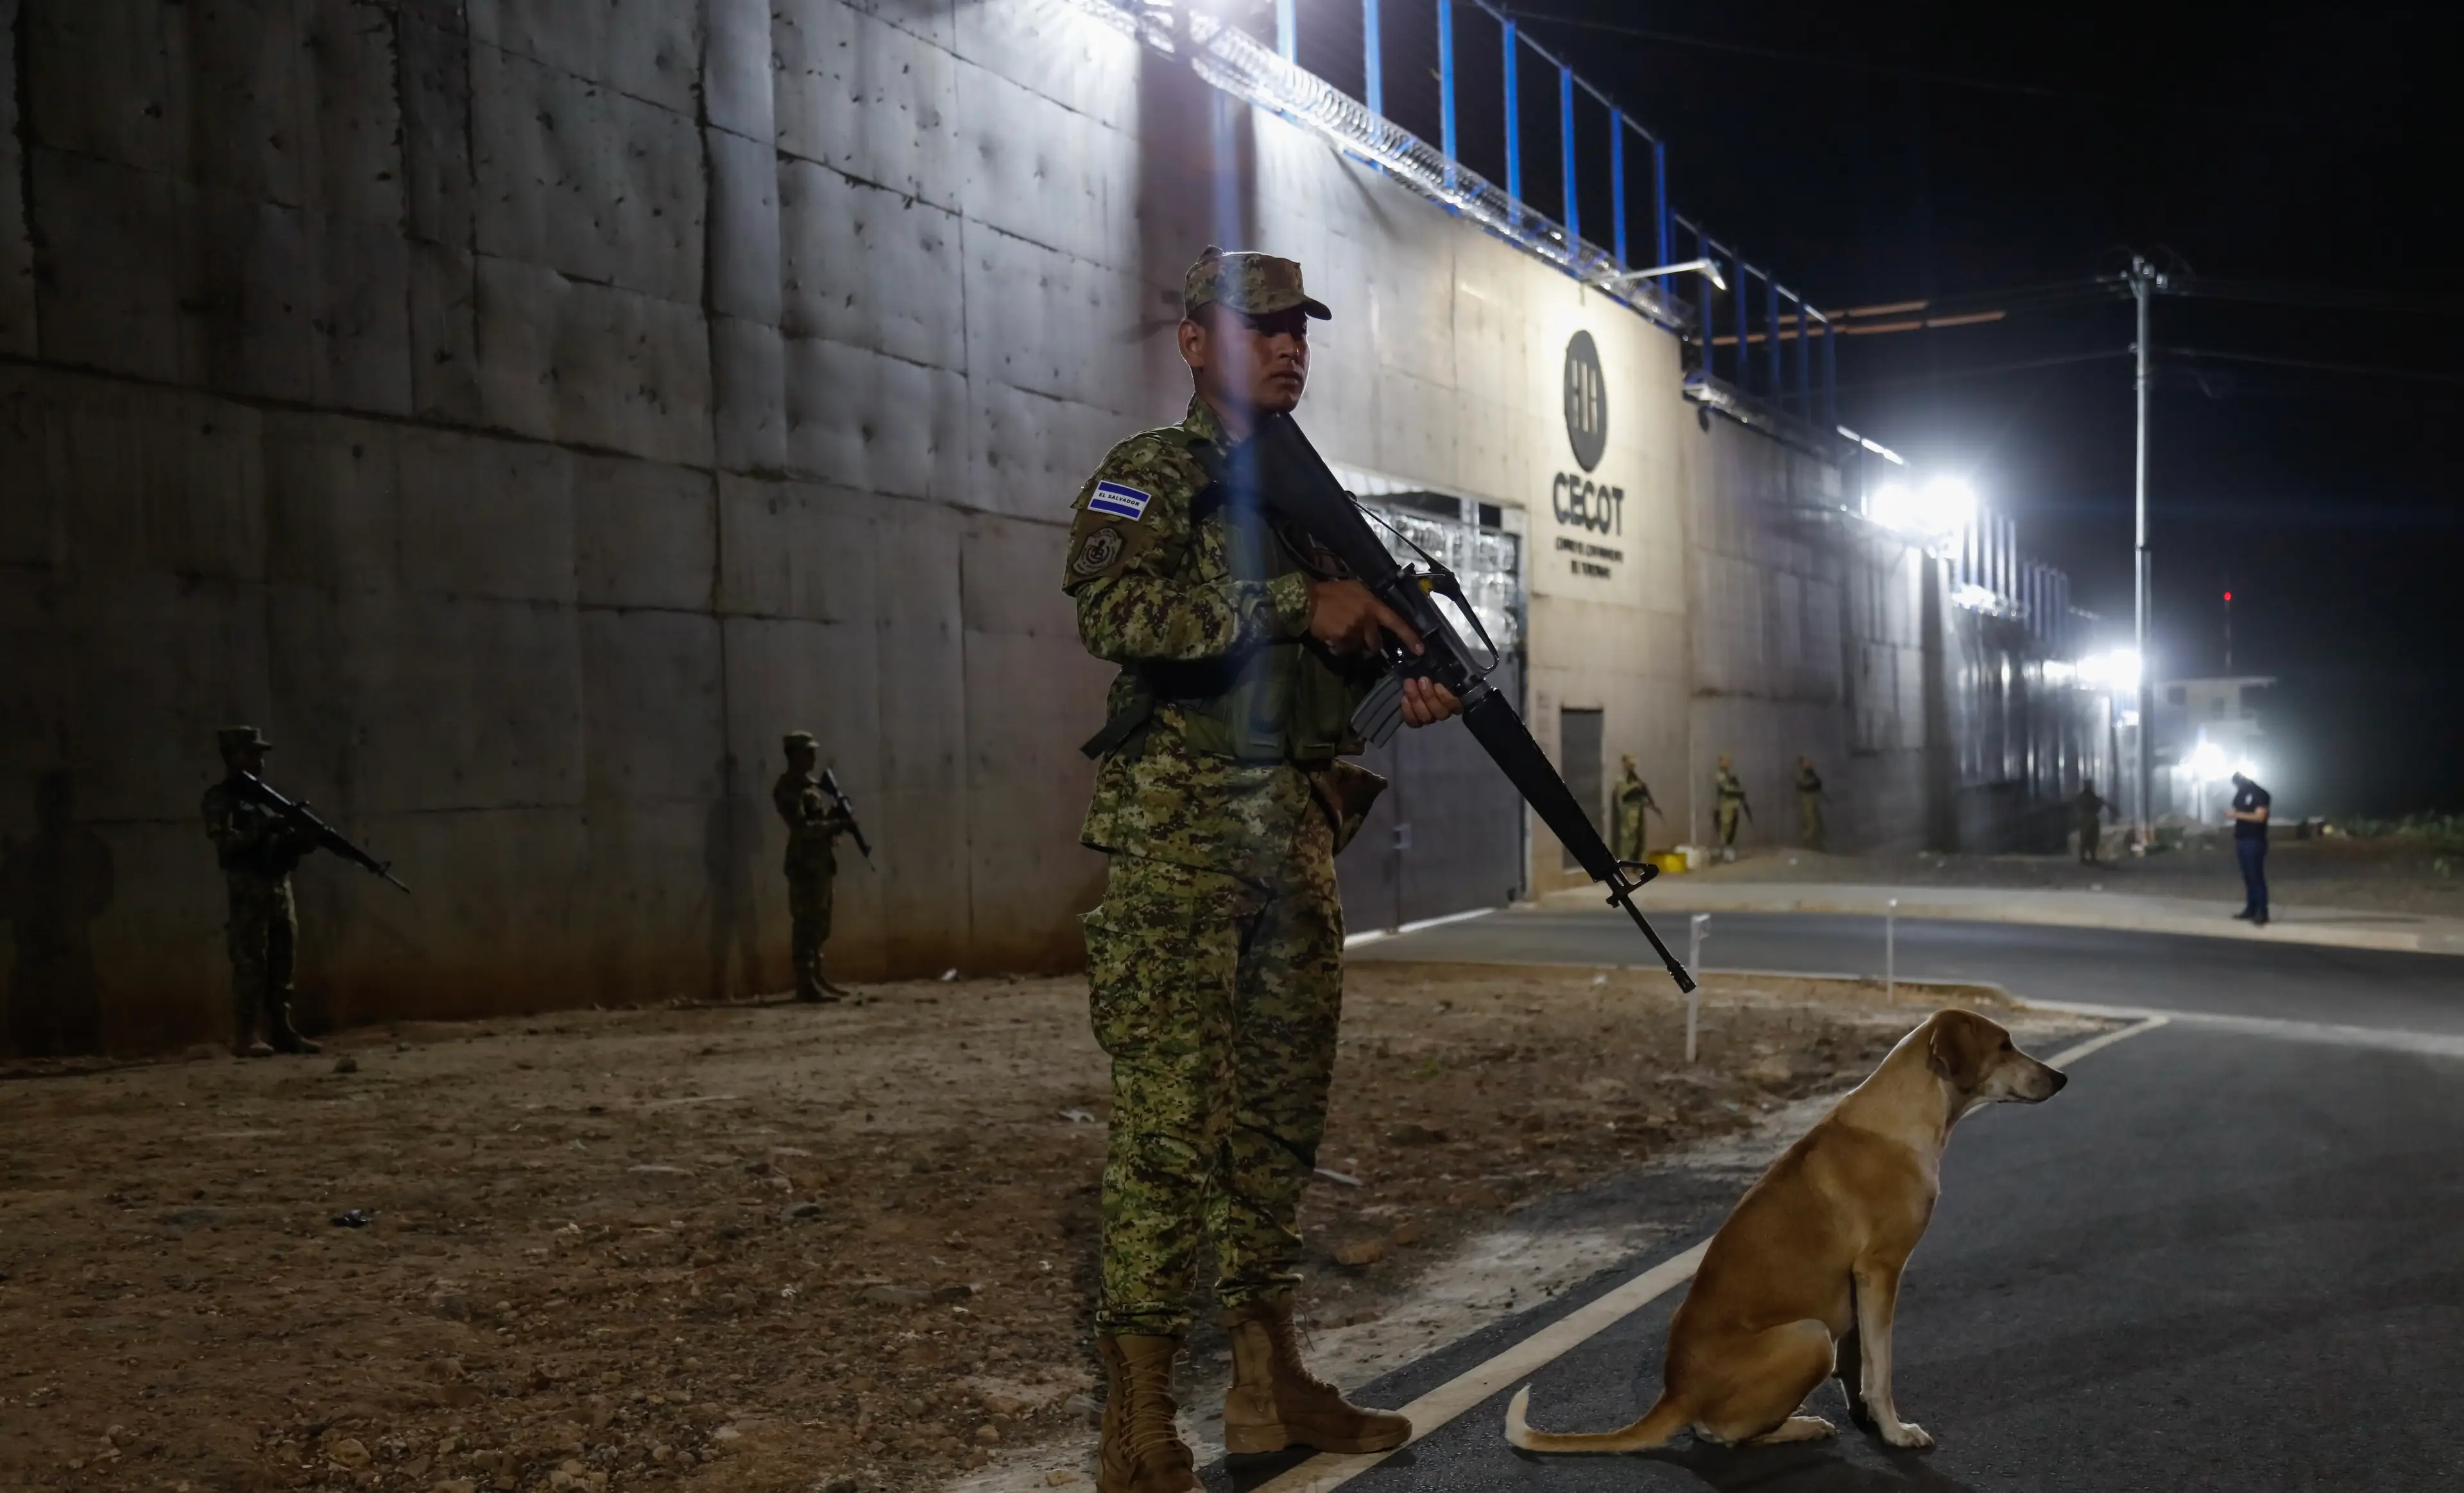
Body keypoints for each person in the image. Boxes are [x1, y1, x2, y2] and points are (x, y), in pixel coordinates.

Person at [1063, 246, 1460, 1493]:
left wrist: (1402, 676)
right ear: (1193, 342)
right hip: (1179, 840)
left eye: (1299, 327)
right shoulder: (1151, 474)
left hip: (1291, 837)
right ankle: (1137, 1421)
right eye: (1258, 326)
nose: (1287, 345)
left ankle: (1263, 1379)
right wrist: (1300, 602)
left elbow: (1310, 671)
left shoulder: (1306, 502)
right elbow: (1116, 619)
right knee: (1172, 1130)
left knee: (1279, 1127)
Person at [200, 727, 321, 1057]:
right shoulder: (220, 799)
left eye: (260, 755)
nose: (259, 761)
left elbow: (283, 843)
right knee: (250, 963)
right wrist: (263, 828)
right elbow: (225, 843)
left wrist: (301, 840)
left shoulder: (267, 798)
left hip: (279, 886)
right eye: (251, 754)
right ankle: (246, 1034)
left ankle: (282, 1030)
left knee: (284, 961)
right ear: (232, 756)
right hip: (248, 890)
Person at [772, 732, 857, 1002]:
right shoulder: (787, 788)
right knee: (805, 923)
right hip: (804, 866)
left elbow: (817, 822)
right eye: (807, 752)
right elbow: (801, 827)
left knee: (821, 924)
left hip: (820, 863)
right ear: (794, 755)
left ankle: (817, 976)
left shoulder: (811, 786)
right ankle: (805, 983)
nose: (813, 758)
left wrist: (837, 816)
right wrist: (834, 825)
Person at [2227, 770, 2272, 926]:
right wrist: (2234, 814)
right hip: (2242, 838)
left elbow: (2260, 817)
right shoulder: (2241, 793)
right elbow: (2238, 810)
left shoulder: (2260, 794)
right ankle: (2251, 908)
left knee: (2256, 876)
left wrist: (2236, 815)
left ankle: (2263, 911)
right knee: (2247, 876)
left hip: (2254, 840)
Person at [1613, 754, 1661, 862]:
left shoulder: (1635, 777)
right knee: (1628, 838)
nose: (1632, 767)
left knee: (1640, 839)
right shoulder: (1621, 778)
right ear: (1625, 764)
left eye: (1633, 765)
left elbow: (1640, 794)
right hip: (1628, 811)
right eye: (1630, 764)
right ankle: (1626, 864)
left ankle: (1636, 864)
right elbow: (1623, 792)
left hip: (1638, 810)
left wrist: (1650, 803)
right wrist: (1636, 787)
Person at [1713, 755, 1750, 862]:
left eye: (1729, 762)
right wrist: (1740, 791)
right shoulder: (1719, 775)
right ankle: (1725, 850)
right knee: (1726, 827)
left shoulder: (1730, 776)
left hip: (1734, 805)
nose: (1728, 764)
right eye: (1726, 761)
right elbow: (1727, 789)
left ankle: (1729, 848)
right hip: (1725, 806)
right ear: (1720, 763)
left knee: (1733, 827)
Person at [1794, 755, 1826, 851]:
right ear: (1802, 763)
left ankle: (1819, 843)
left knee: (1818, 822)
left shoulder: (1810, 772)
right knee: (1811, 822)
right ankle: (1806, 843)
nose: (1810, 763)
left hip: (1813, 799)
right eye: (1807, 762)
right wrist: (1815, 785)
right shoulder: (1801, 773)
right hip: (1807, 799)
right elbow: (1803, 785)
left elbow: (1817, 784)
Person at [2075, 779, 2107, 865]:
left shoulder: (2092, 797)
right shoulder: (2083, 797)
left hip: (2092, 818)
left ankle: (2093, 857)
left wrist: (2099, 803)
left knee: (2094, 838)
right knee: (2085, 838)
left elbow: (2097, 808)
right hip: (2086, 819)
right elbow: (2084, 805)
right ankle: (2083, 857)